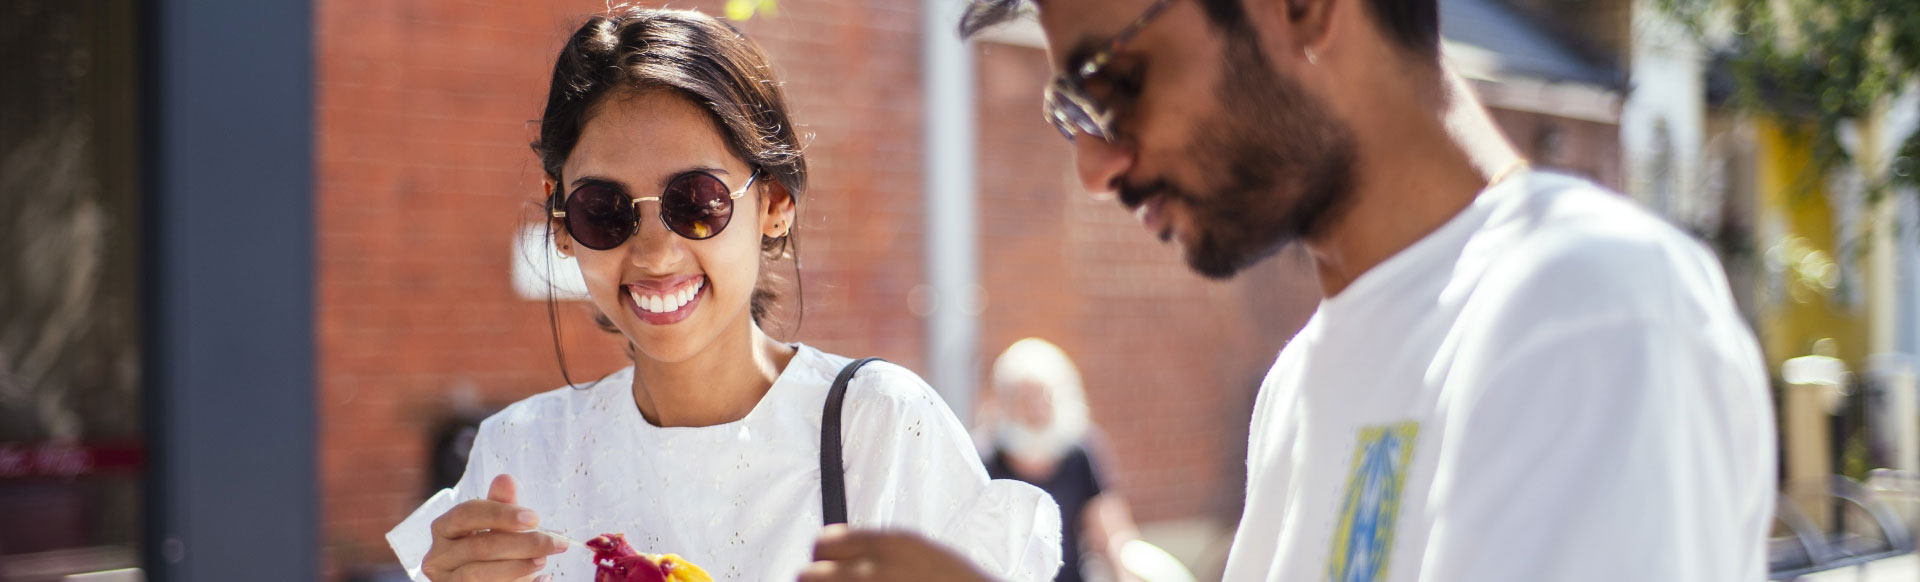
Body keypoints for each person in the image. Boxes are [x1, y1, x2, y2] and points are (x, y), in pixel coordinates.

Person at [799, 0, 1775, 580]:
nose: (1095, 168)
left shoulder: (1585, 309)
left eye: (1112, 82)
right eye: (1071, 111)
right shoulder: (1301, 386)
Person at [384, 8, 1062, 582]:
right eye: (603, 209)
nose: (653, 252)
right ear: (562, 227)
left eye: (697, 202)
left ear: (773, 203)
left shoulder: (879, 427)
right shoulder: (521, 458)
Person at [977, 338, 1143, 582]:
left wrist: (1125, 575)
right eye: (1025, 399)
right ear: (1006, 404)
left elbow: (1108, 530)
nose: (1036, 409)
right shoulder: (985, 461)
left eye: (1044, 397)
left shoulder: (1079, 454)